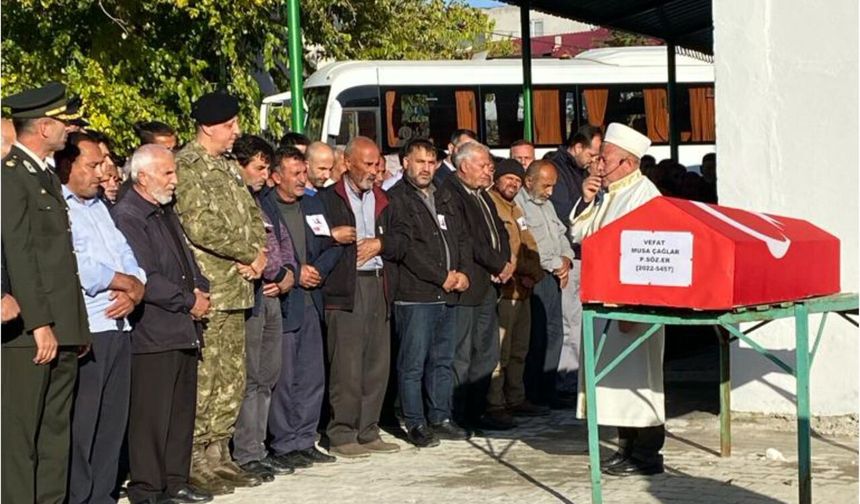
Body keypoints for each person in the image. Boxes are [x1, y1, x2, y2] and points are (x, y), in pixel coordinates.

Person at [1, 82, 91, 504]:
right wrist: (39, 323)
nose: (71, 129)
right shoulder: (11, 176)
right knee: (21, 440)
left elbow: (61, 258)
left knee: (56, 434)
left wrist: (77, 324)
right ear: (43, 126)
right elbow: (18, 253)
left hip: (62, 324)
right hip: (31, 331)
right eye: (65, 122)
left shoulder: (43, 174)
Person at [173, 91, 268, 494]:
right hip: (213, 286)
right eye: (230, 125)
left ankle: (219, 452)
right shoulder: (186, 166)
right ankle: (195, 457)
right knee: (207, 376)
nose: (236, 131)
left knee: (233, 376)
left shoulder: (230, 168)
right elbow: (200, 225)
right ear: (209, 126)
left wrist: (259, 255)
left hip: (240, 285)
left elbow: (251, 213)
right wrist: (248, 252)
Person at [112, 145, 214, 504]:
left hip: (184, 327)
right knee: (151, 415)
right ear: (143, 177)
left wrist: (201, 287)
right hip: (154, 329)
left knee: (180, 411)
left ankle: (175, 480)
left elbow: (187, 262)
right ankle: (148, 487)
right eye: (167, 173)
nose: (175, 180)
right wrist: (188, 300)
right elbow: (145, 275)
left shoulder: (164, 212)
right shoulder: (129, 216)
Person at [54, 132, 146, 504]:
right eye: (92, 166)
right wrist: (122, 282)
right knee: (83, 425)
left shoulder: (99, 209)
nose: (100, 173)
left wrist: (136, 286)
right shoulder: (59, 207)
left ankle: (103, 496)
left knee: (112, 422)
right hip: (89, 326)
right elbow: (77, 264)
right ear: (66, 166)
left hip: (120, 325)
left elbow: (125, 252)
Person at [571, 122, 665, 477]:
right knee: (614, 381)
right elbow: (581, 234)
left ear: (627, 162)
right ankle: (627, 449)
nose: (598, 165)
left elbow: (650, 256)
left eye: (604, 159)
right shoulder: (610, 192)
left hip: (633, 306)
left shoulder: (645, 195)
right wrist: (587, 197)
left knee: (640, 380)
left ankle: (647, 455)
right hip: (605, 300)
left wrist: (636, 309)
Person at [384, 139, 471, 447]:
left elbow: (459, 237)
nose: (426, 168)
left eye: (431, 162)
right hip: (416, 294)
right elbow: (407, 249)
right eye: (419, 161)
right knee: (413, 363)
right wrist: (441, 277)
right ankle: (415, 422)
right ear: (404, 162)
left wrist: (461, 273)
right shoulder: (395, 199)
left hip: (447, 294)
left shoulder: (443, 195)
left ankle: (441, 416)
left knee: (442, 360)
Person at [318, 136, 400, 458]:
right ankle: (342, 433)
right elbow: (315, 240)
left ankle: (369, 429)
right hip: (346, 287)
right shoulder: (328, 199)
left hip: (378, 284)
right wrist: (337, 241)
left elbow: (403, 238)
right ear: (347, 163)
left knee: (377, 363)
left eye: (376, 164)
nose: (373, 170)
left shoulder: (385, 200)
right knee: (347, 365)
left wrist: (381, 244)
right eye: (366, 164)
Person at [266, 146, 342, 468]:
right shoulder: (265, 207)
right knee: (285, 378)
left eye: (303, 173)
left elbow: (331, 245)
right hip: (284, 301)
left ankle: (305, 438)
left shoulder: (313, 203)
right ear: (275, 176)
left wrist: (318, 271)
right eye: (294, 174)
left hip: (313, 299)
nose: (302, 180)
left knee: (312, 374)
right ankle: (284, 444)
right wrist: (296, 275)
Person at [230, 135, 298, 481]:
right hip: (252, 294)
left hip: (273, 294)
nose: (264, 174)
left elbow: (281, 241)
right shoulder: (235, 198)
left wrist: (287, 274)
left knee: (268, 376)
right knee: (252, 376)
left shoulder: (264, 200)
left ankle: (258, 447)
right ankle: (246, 451)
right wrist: (274, 271)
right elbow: (249, 245)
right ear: (240, 166)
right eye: (258, 167)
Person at [441, 142, 514, 431]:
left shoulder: (483, 195)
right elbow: (468, 239)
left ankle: (477, 409)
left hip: (489, 286)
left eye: (490, 166)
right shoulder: (452, 193)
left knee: (486, 352)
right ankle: (458, 413)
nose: (489, 171)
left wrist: (506, 261)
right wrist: (497, 264)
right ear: (463, 166)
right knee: (463, 353)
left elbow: (500, 230)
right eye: (483, 166)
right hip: (469, 284)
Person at [486, 159, 548, 421]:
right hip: (505, 291)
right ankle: (495, 403)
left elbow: (528, 243)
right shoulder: (491, 205)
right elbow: (504, 249)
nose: (512, 183)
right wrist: (522, 272)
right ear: (497, 179)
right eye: (508, 178)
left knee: (519, 350)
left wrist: (534, 275)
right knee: (500, 352)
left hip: (523, 291)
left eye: (517, 180)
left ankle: (516, 397)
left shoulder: (516, 208)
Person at [545, 125, 602, 397]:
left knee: (580, 323)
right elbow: (565, 216)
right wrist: (585, 197)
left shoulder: (581, 171)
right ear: (577, 147)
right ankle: (566, 382)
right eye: (592, 153)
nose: (595, 159)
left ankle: (576, 377)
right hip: (570, 256)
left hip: (585, 256)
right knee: (570, 324)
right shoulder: (557, 171)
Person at [515, 160, 576, 410]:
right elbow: (526, 244)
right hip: (535, 276)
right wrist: (554, 263)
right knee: (536, 337)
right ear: (529, 182)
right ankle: (532, 392)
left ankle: (548, 389)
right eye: (546, 185)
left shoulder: (547, 205)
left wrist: (566, 260)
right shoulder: (518, 205)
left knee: (555, 334)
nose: (550, 191)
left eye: (553, 186)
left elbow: (561, 235)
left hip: (553, 276)